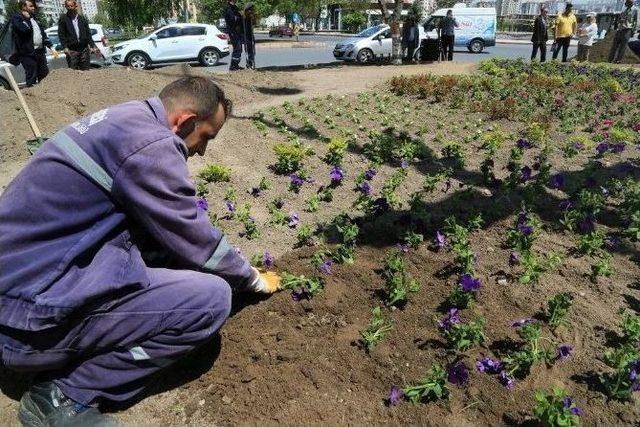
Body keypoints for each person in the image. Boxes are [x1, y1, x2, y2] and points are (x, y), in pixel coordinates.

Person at [0, 76, 281, 426]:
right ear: (185, 122)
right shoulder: (150, 145)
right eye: (206, 137)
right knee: (210, 300)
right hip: (24, 328)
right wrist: (250, 278)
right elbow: (192, 233)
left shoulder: (125, 119)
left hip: (17, 292)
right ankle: (63, 394)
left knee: (162, 253)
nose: (203, 150)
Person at [10, 0, 52, 86]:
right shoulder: (17, 18)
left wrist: (49, 44)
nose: (34, 8)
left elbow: (42, 33)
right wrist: (27, 18)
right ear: (24, 7)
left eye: (34, 6)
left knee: (44, 76)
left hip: (40, 52)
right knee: (31, 77)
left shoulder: (35, 18)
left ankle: (46, 97)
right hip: (28, 54)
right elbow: (24, 30)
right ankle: (32, 97)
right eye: (31, 6)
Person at [57, 0, 99, 70]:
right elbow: (61, 34)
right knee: (73, 71)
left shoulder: (82, 18)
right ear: (65, 7)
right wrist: (65, 47)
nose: (69, 8)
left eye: (71, 6)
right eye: (68, 6)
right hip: (72, 50)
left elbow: (88, 34)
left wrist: (92, 46)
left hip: (84, 49)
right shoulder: (63, 19)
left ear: (75, 6)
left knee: (85, 70)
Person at [224, 0, 244, 71]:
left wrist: (240, 16)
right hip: (233, 32)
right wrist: (239, 16)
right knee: (237, 49)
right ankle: (233, 67)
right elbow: (232, 20)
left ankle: (235, 65)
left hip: (237, 32)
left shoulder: (235, 7)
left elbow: (238, 18)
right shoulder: (228, 8)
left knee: (239, 49)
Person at [243, 3, 256, 69]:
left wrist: (253, 18)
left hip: (251, 35)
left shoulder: (252, 16)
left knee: (252, 49)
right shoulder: (244, 17)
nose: (251, 11)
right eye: (250, 9)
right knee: (248, 49)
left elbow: (254, 23)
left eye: (251, 9)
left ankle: (252, 61)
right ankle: (248, 63)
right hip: (246, 35)